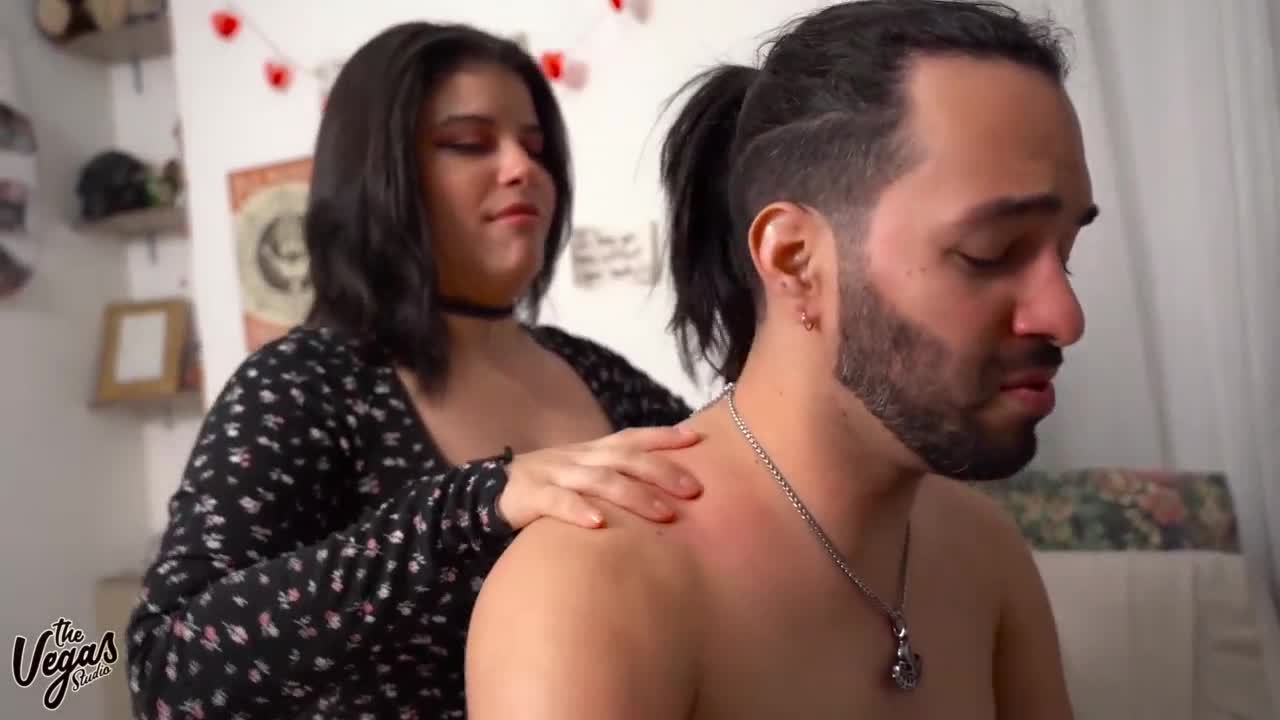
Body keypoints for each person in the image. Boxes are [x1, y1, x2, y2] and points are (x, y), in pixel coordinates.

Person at [466, 1, 1095, 718]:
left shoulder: (985, 553)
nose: (1065, 318)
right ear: (795, 260)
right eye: (990, 251)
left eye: (1066, 254)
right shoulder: (590, 587)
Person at [126, 21, 703, 720]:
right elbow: (170, 670)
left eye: (536, 147)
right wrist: (465, 511)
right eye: (469, 143)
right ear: (379, 173)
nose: (522, 169)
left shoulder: (599, 374)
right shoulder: (304, 383)